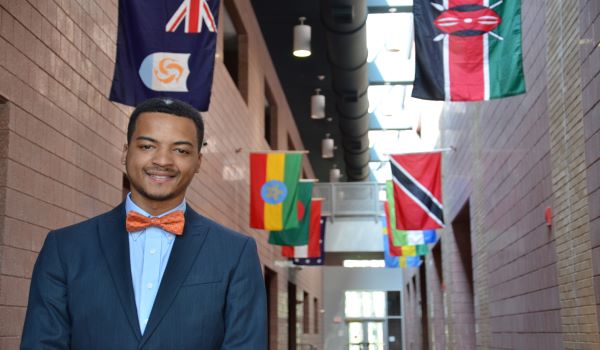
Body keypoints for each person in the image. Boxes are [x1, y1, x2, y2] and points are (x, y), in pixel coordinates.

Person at [21, 97, 267, 350]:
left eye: (180, 150)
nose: (163, 160)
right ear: (125, 152)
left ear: (198, 162)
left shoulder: (235, 253)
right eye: (148, 146)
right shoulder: (65, 247)